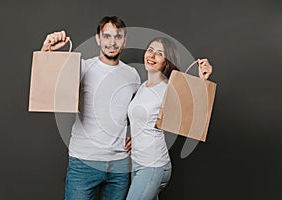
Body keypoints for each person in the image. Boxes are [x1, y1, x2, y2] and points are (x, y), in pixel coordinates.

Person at [40, 16, 141, 200]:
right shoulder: (82, 67)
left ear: (124, 40)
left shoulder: (132, 75)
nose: (112, 42)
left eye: (118, 37)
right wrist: (47, 51)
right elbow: (48, 84)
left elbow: (141, 111)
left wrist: (137, 136)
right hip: (84, 162)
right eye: (107, 36)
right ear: (98, 39)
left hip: (120, 165)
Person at [126, 37, 212, 200]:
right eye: (150, 50)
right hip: (137, 162)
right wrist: (135, 137)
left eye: (159, 53)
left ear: (167, 61)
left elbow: (195, 117)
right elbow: (145, 120)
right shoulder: (142, 87)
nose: (151, 55)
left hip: (153, 166)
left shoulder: (169, 90)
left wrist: (202, 80)